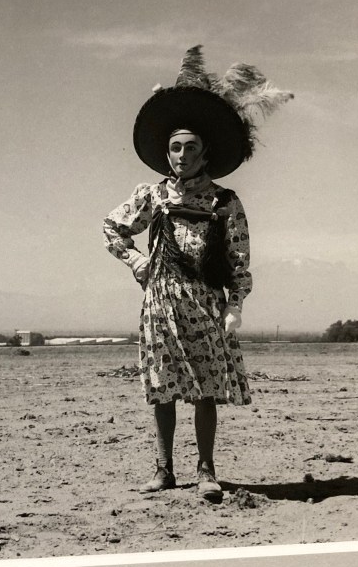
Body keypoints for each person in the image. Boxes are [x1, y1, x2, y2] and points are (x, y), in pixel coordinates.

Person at [103, 46, 293, 501]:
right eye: (175, 147)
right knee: (162, 388)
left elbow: (239, 262)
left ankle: (207, 470)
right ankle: (163, 469)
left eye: (191, 147)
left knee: (206, 390)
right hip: (160, 304)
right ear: (166, 153)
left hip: (205, 305)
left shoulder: (224, 202)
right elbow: (112, 227)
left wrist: (234, 306)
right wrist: (138, 262)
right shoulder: (152, 196)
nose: (182, 155)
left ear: (206, 153)